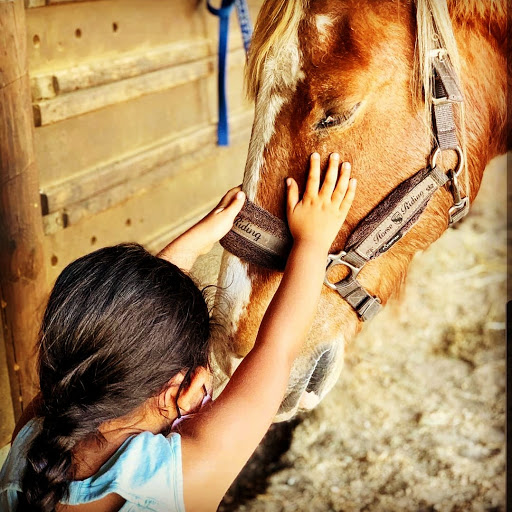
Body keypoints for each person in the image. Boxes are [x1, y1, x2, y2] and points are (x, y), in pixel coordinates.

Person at [0, 153, 356, 512]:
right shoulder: (181, 475)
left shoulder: (31, 437)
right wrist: (314, 241)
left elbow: (123, 328)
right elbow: (276, 351)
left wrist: (202, 237)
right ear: (181, 390)